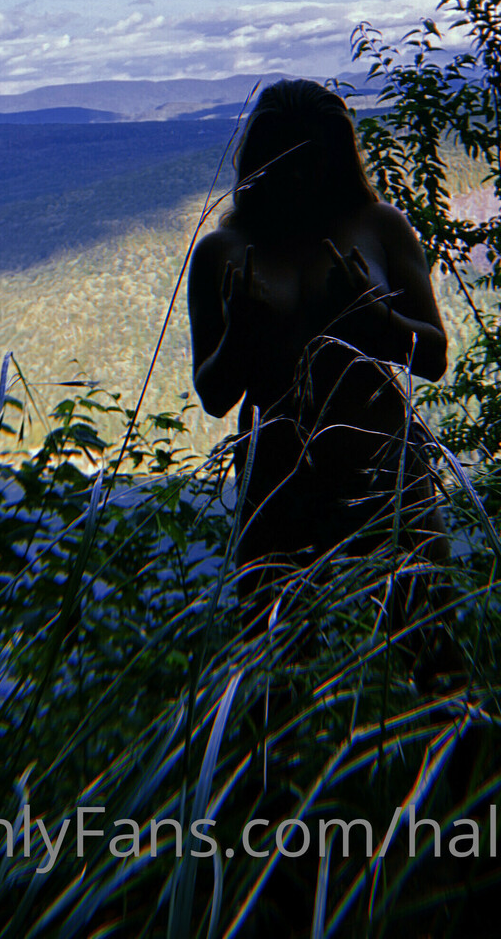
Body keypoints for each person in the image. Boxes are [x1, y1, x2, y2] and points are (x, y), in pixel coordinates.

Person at [188, 80, 454, 653]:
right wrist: (240, 335)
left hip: (383, 470)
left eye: (313, 157)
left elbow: (433, 356)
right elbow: (213, 395)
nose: (299, 175)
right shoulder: (220, 253)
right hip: (278, 483)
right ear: (259, 160)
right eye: (284, 158)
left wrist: (378, 320)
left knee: (430, 647)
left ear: (337, 156)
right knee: (277, 665)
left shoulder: (381, 226)